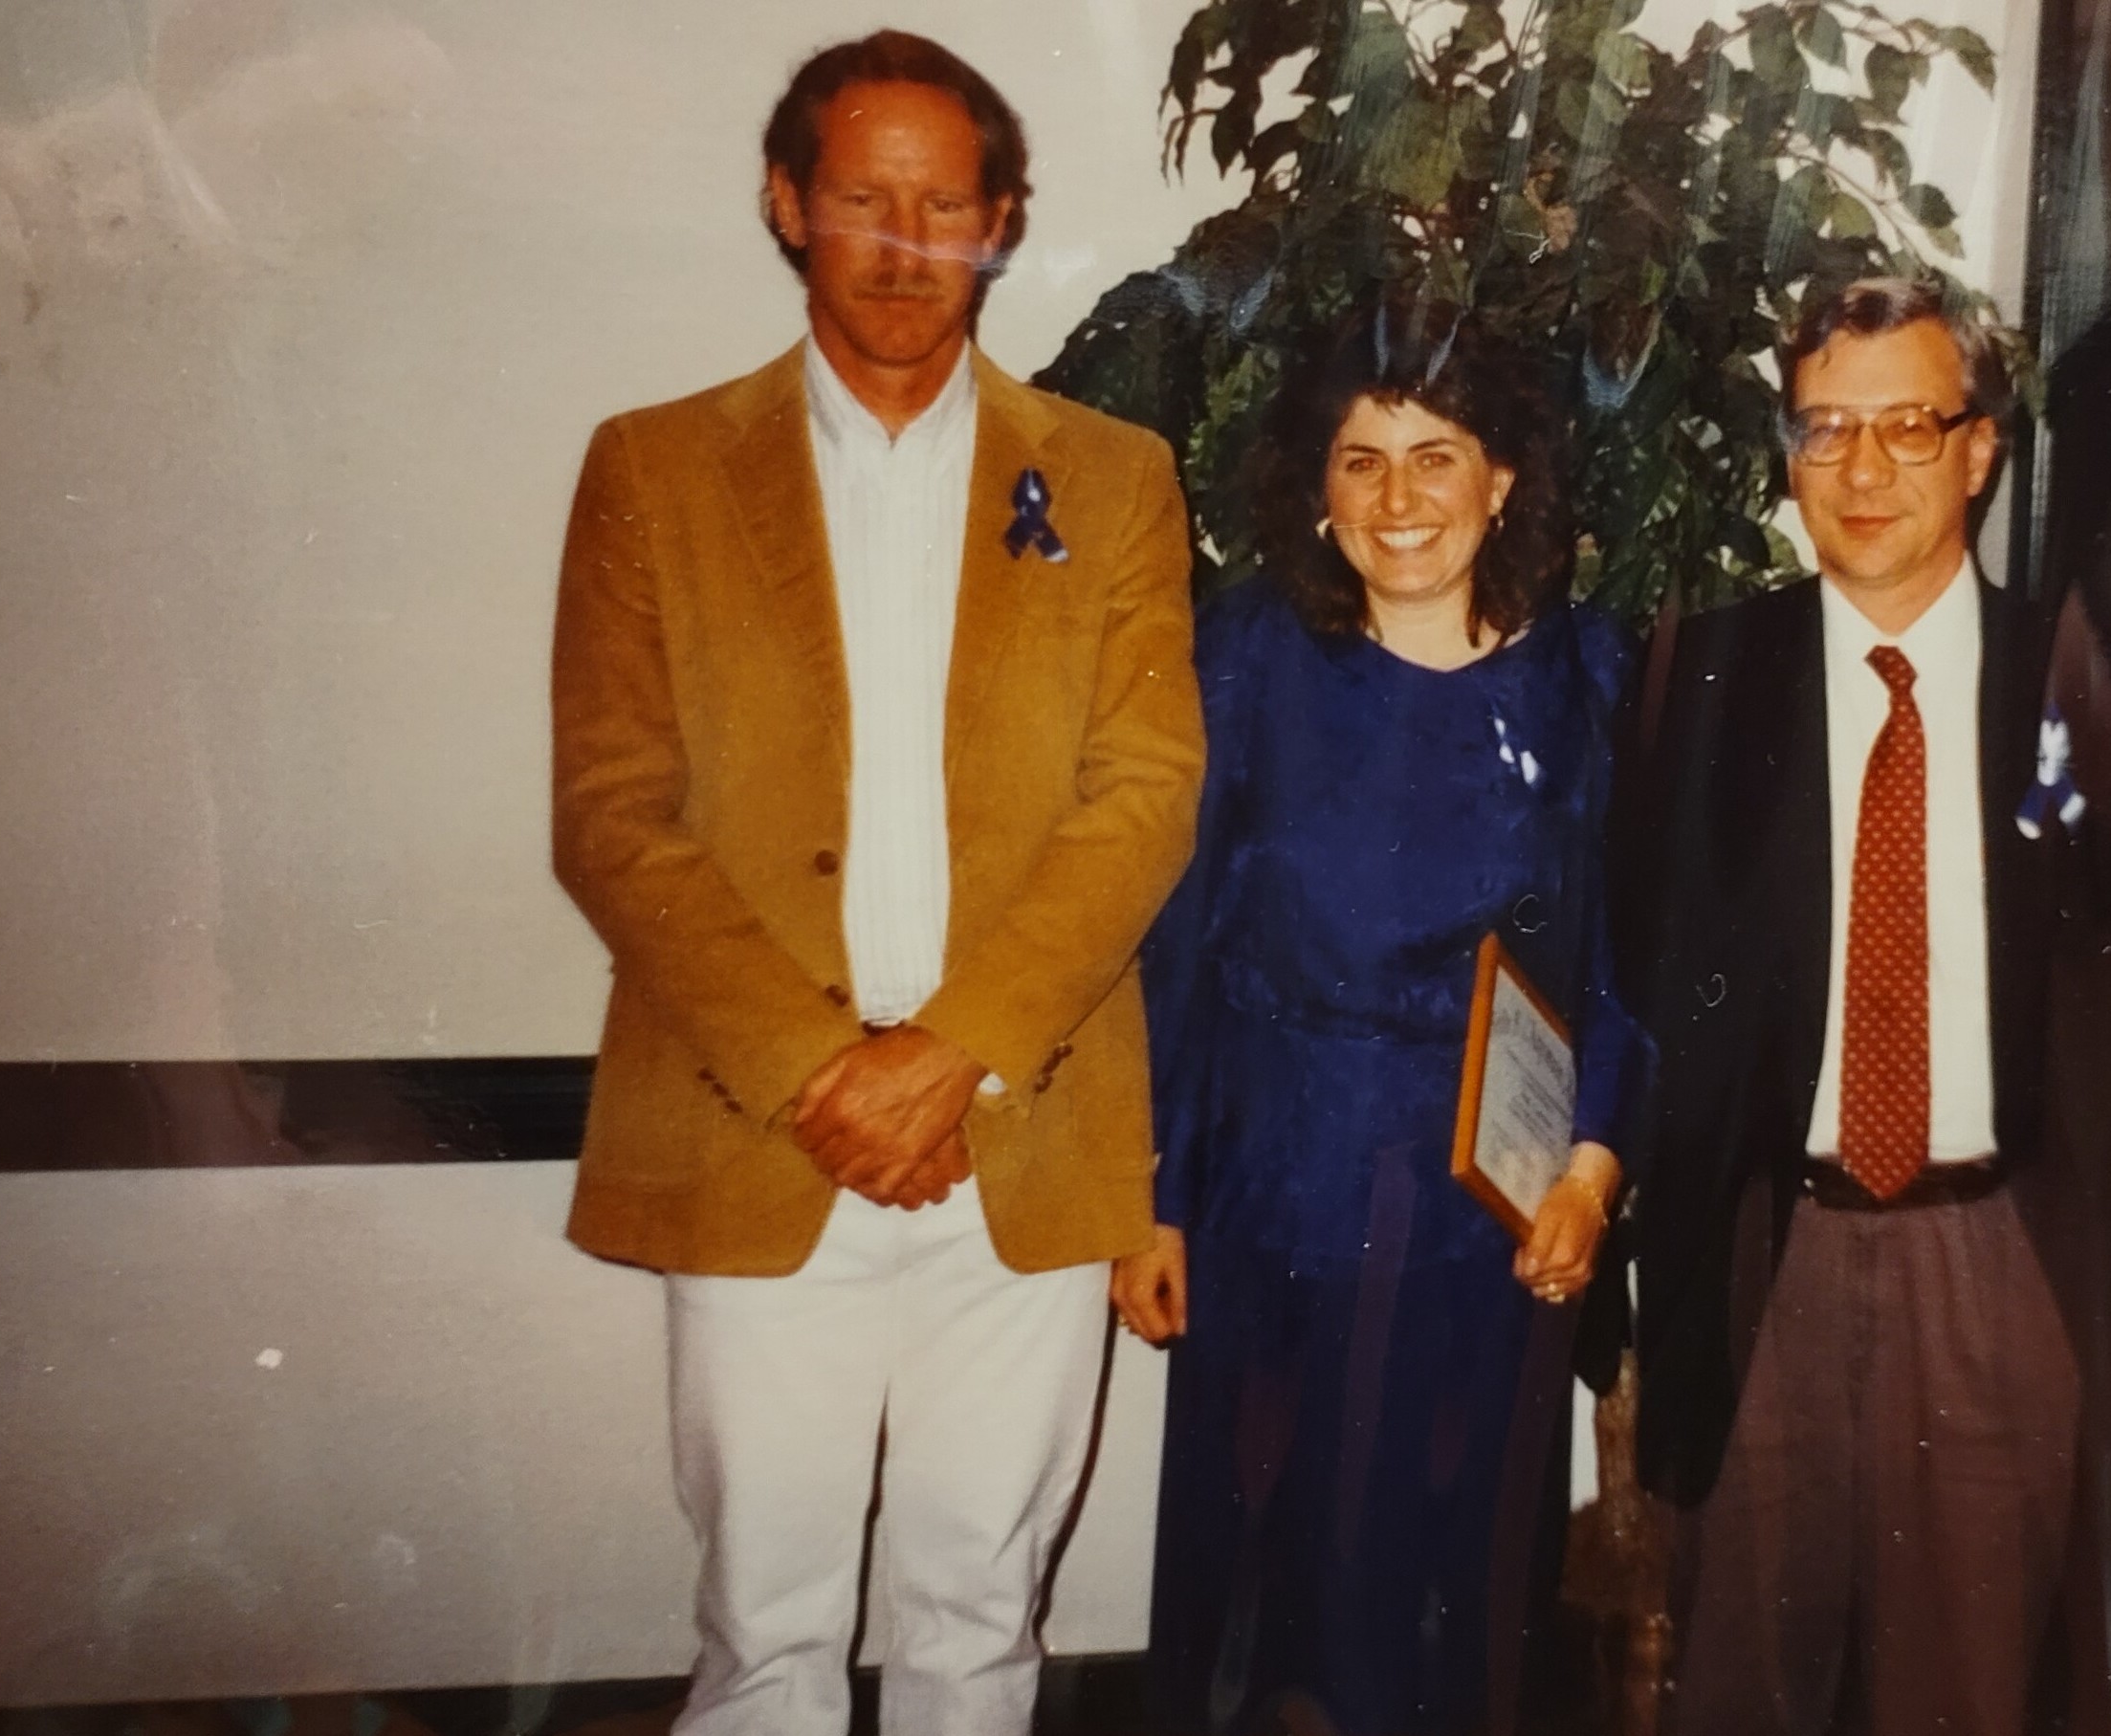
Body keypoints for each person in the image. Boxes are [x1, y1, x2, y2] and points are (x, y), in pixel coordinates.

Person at [546, 33, 1200, 1736]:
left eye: (944, 204)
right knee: (763, 1629)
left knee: (979, 1619)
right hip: (761, 1130)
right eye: (861, 200)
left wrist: (952, 1054)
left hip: (1025, 1130)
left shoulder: (1116, 479)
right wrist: (822, 1075)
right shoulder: (655, 470)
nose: (906, 244)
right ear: (787, 205)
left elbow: (1142, 802)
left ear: (999, 223)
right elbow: (612, 816)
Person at [1112, 299, 1648, 1736]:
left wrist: (1592, 1170)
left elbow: (1626, 957)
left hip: (1486, 1214)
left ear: (1504, 479)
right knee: (1264, 1577)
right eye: (1361, 461)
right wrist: (1150, 1199)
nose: (1399, 499)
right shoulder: (1245, 655)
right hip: (1269, 1194)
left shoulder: (1591, 674)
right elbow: (1175, 940)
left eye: (1436, 456)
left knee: (1451, 1579)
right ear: (1316, 487)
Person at [1612, 276, 2079, 1736]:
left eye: (1907, 427)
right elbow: (1629, 981)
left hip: (1999, 1263)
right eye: (1826, 431)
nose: (1864, 472)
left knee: (1973, 1688)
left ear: (1980, 447)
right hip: (1767, 1256)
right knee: (1741, 1687)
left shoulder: (2076, 679)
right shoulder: (1694, 678)